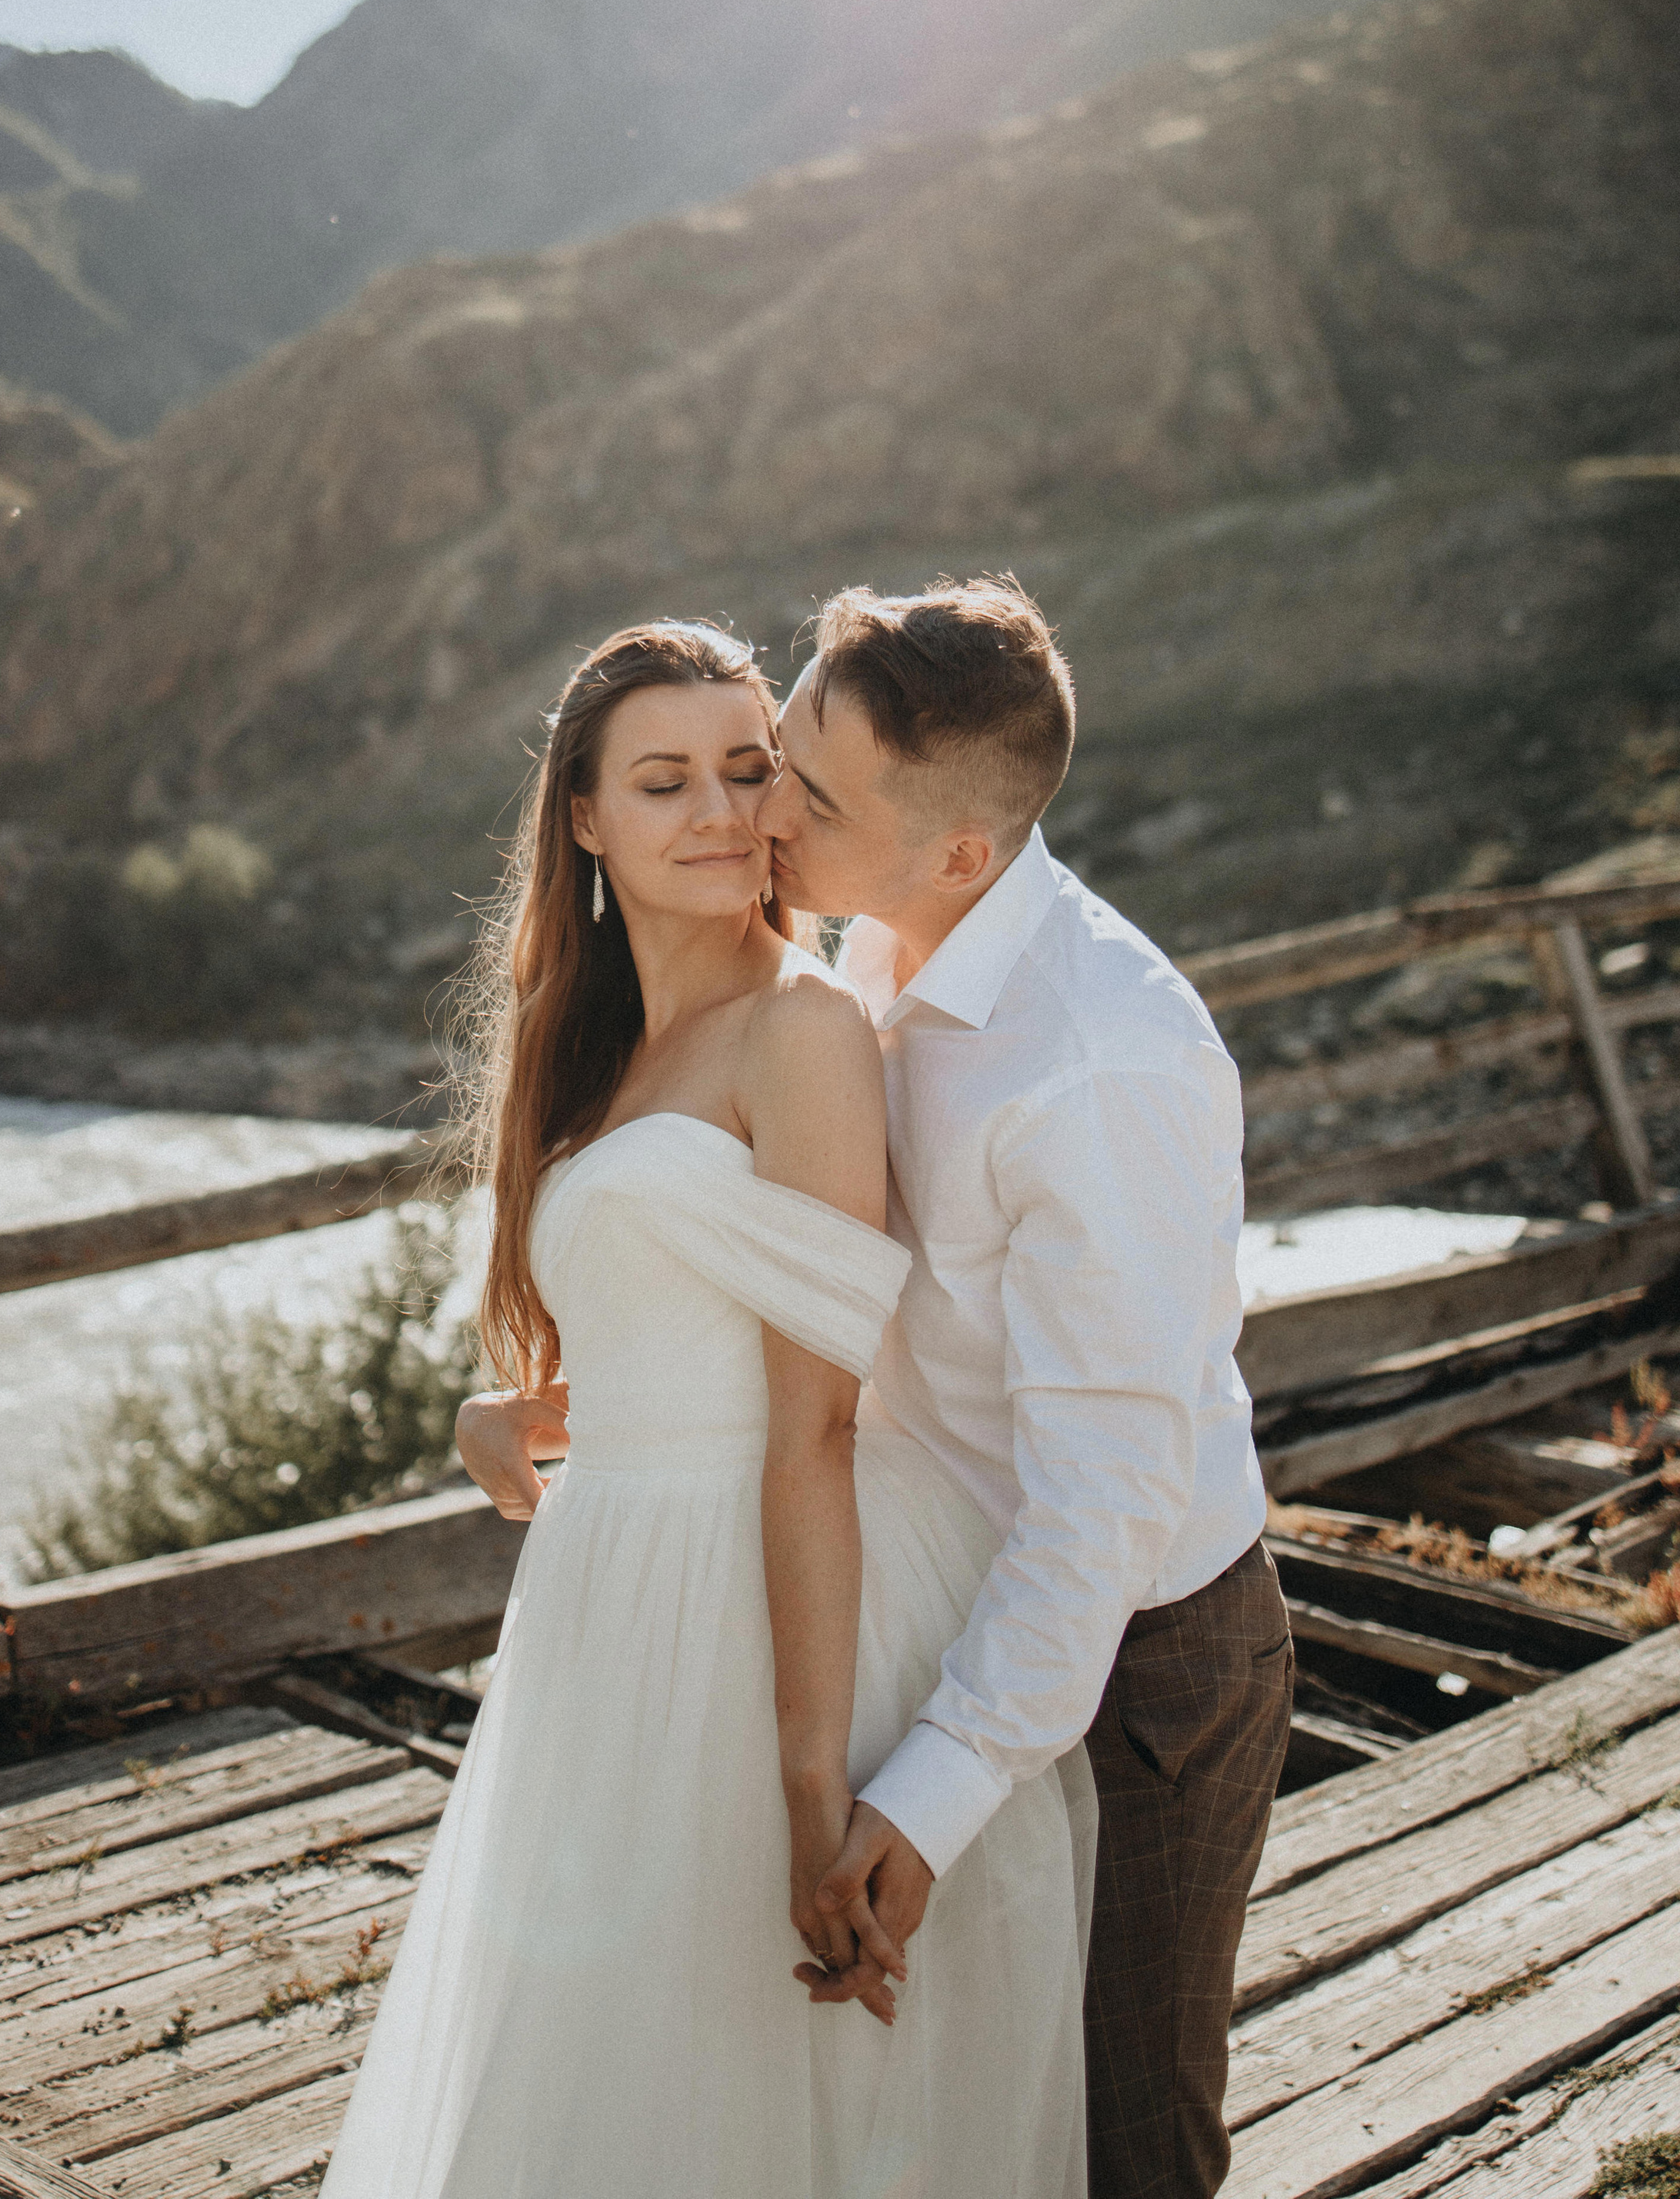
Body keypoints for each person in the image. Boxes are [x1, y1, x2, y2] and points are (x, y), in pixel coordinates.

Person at [463, 575, 1288, 2198]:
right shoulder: (875, 947)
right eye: (775, 756)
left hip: (1137, 1660)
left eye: (797, 789)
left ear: (956, 852)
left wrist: (914, 1799)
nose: (760, 814)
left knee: (1121, 2139)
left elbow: (1098, 1517)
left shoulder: (1095, 1065)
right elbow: (797, 1286)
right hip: (934, 1594)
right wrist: (566, 1405)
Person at [320, 618, 1090, 2199]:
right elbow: (683, 1310)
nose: (723, 813)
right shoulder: (593, 1047)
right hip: (611, 1591)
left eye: (749, 769)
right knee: (603, 2059)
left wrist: (815, 1789)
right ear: (584, 821)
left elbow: (809, 1418)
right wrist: (527, 1408)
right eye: (662, 781)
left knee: (760, 2078)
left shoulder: (803, 1029)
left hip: (766, 1593)